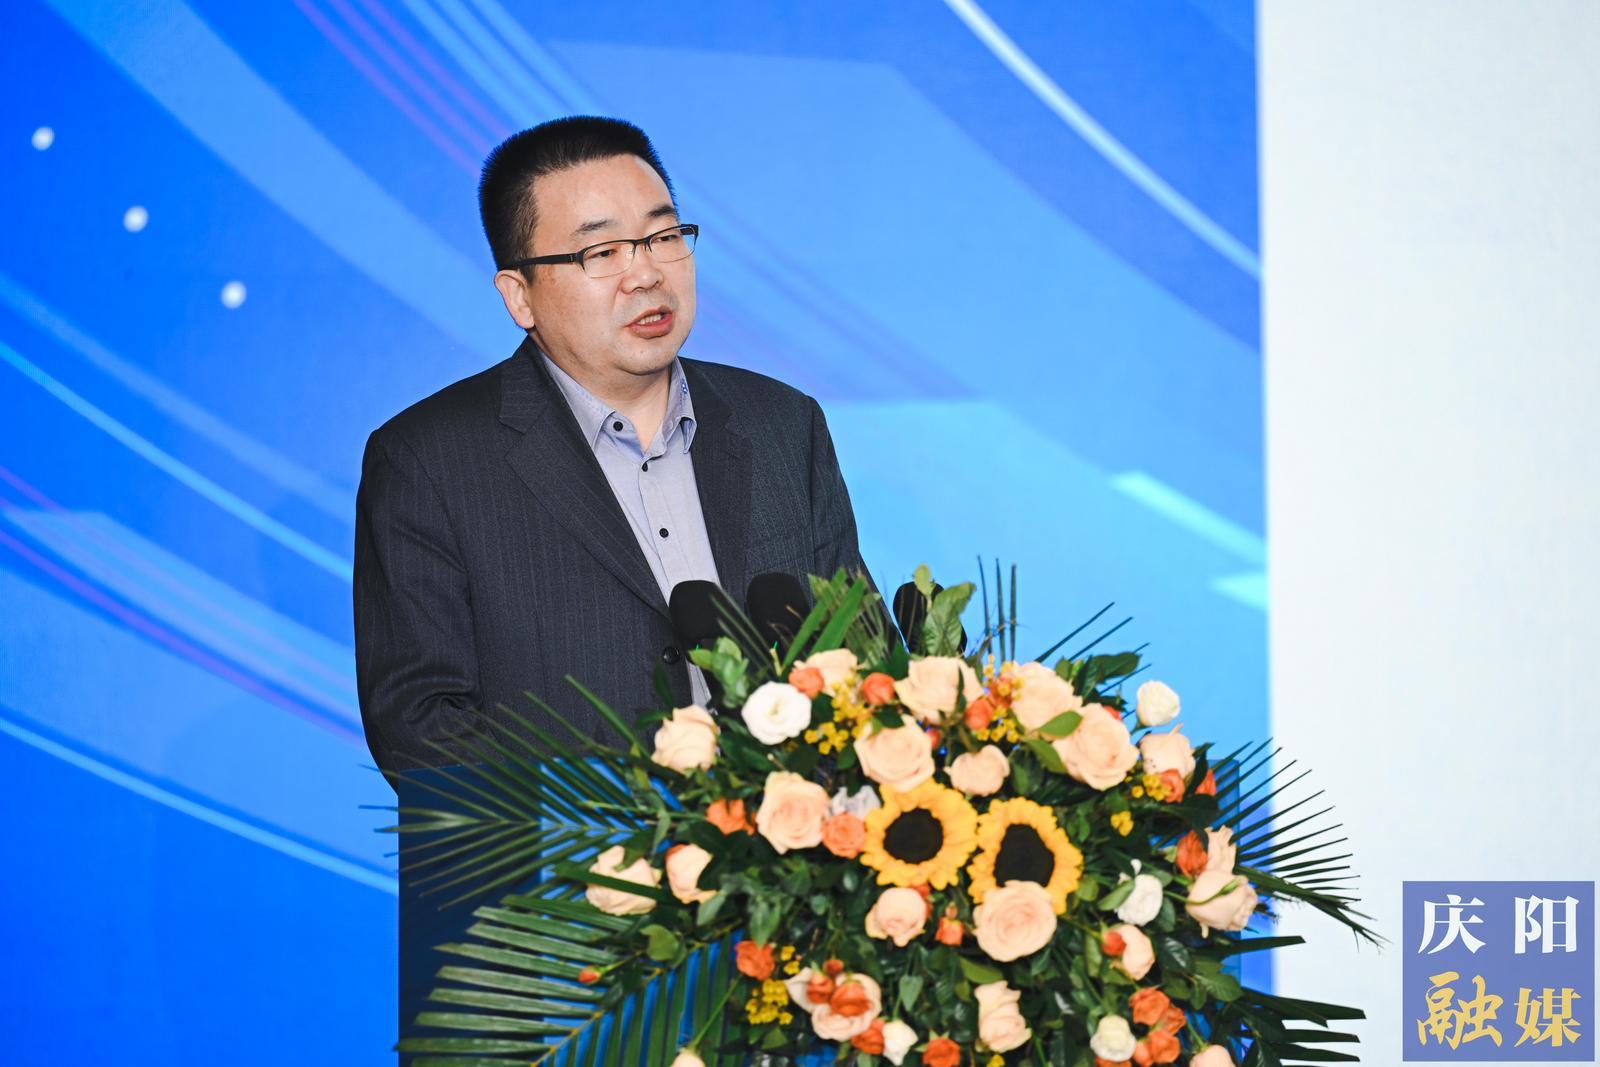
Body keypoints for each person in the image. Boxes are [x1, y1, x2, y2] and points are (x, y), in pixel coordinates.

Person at [353, 115, 876, 775]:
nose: (647, 274)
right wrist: (640, 827)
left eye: (664, 236)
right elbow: (423, 735)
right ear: (520, 297)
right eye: (601, 253)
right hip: (581, 844)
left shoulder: (782, 422)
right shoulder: (428, 463)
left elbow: (865, 663)